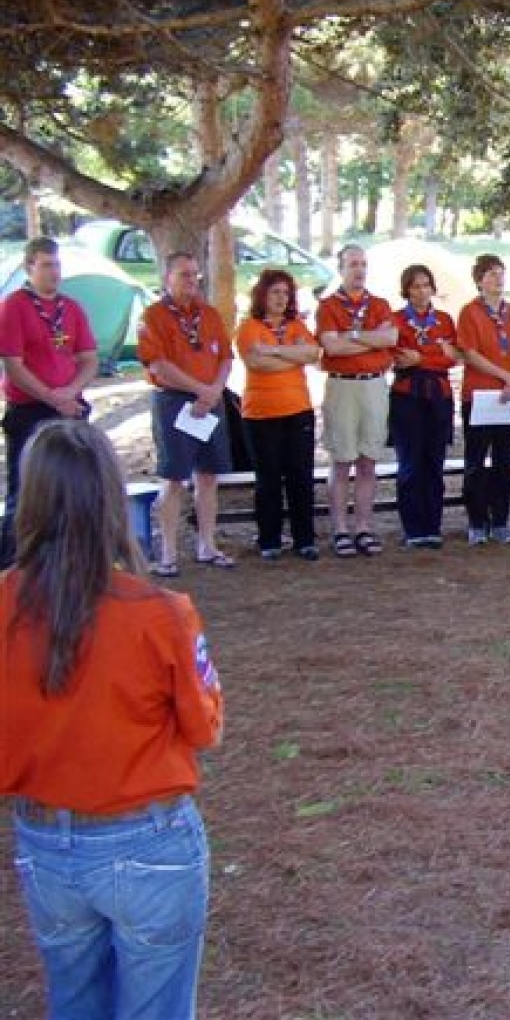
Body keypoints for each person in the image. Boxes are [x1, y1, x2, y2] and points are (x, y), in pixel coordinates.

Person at [1, 419, 224, 1018]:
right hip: (148, 839)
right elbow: (206, 728)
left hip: (44, 838)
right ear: (110, 499)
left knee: (73, 1001)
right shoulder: (161, 613)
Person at [0, 237, 98, 567]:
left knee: (74, 486)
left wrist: (70, 392)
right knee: (25, 490)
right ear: (29, 268)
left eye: (56, 264)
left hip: (70, 407)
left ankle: (71, 560)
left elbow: (89, 358)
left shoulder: (72, 308)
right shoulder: (14, 306)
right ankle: (14, 567)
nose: (53, 272)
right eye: (46, 265)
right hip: (30, 409)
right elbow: (14, 365)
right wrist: (51, 397)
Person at [137, 251, 235, 575]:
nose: (191, 281)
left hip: (209, 402)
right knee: (174, 477)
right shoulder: (154, 316)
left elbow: (226, 357)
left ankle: (207, 544)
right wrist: (198, 389)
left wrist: (214, 391)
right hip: (175, 402)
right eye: (183, 275)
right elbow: (158, 364)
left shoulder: (209, 314)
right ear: (167, 278)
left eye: (195, 275)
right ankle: (167, 553)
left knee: (208, 476)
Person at [233, 267, 321, 561]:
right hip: (260, 414)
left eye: (286, 293)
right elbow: (257, 364)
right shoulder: (248, 328)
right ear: (262, 295)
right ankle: (269, 539)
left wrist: (272, 351)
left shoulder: (296, 325)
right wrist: (291, 355)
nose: (281, 298)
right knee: (268, 478)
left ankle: (304, 539)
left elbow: (313, 354)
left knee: (301, 476)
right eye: (275, 292)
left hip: (298, 410)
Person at [315, 244, 397, 557]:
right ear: (340, 269)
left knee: (368, 460)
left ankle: (363, 526)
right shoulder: (328, 306)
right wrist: (367, 339)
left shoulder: (379, 304)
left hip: (374, 385)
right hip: (342, 387)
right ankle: (339, 529)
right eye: (352, 265)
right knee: (342, 460)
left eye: (363, 264)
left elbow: (389, 339)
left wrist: (350, 335)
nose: (359, 270)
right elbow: (331, 347)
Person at [456, 254, 510, 546]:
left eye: (501, 273)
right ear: (479, 280)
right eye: (491, 274)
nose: (498, 279)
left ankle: (500, 520)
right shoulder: (469, 312)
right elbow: (470, 353)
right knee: (475, 460)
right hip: (479, 394)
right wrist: (504, 375)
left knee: (504, 459)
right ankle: (476, 521)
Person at [390, 264, 458, 549]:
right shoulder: (396, 320)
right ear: (406, 289)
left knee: (434, 462)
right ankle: (413, 528)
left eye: (426, 285)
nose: (421, 291)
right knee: (410, 463)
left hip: (439, 396)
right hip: (408, 396)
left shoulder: (443, 319)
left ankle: (433, 526)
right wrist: (433, 353)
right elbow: (398, 357)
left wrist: (420, 357)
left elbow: (452, 357)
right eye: (415, 286)